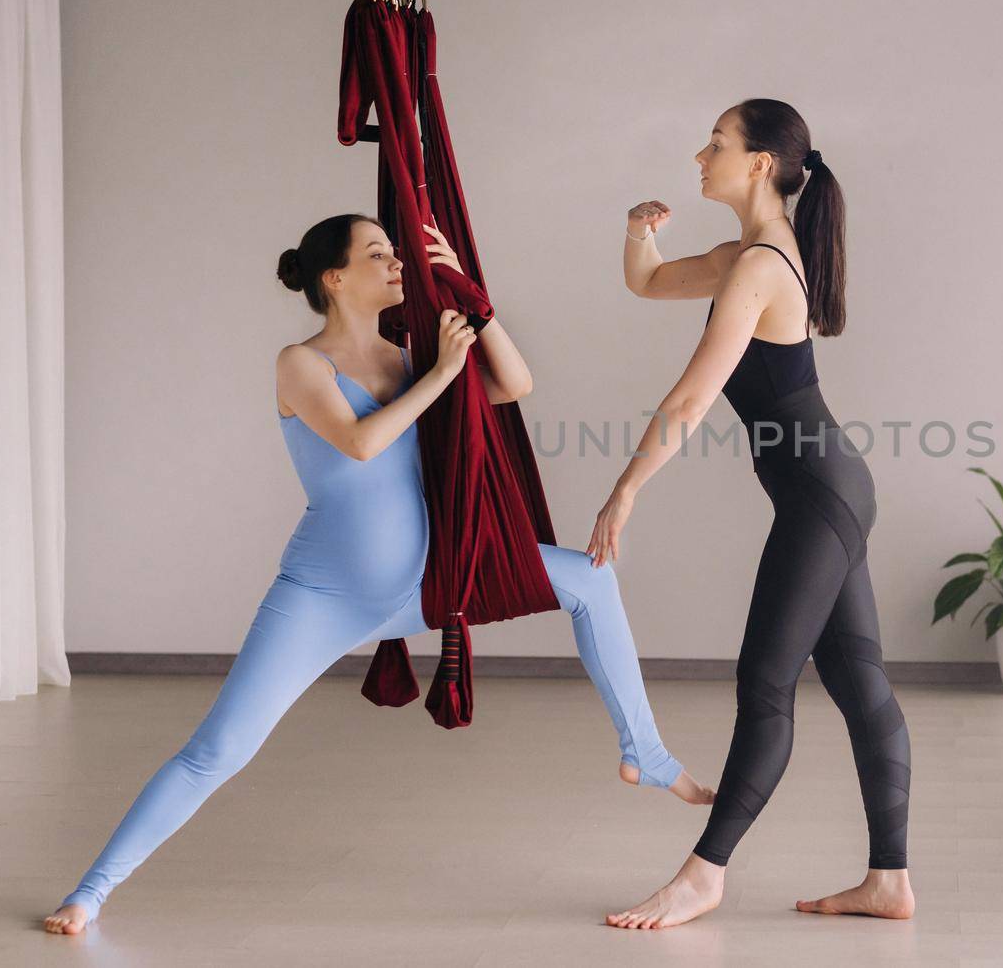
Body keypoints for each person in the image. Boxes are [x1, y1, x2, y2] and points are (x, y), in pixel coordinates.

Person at [43, 215, 712, 936]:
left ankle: (643, 750)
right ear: (334, 277)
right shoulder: (300, 364)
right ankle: (91, 890)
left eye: (395, 252)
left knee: (589, 579)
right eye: (377, 254)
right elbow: (361, 442)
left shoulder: (408, 357)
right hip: (321, 599)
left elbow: (515, 383)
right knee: (217, 750)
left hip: (426, 583)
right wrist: (442, 376)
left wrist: (469, 296)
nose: (396, 262)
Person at [592, 100, 914, 929]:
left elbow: (695, 394)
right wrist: (638, 229)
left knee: (766, 686)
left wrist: (626, 487)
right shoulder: (750, 254)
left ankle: (705, 872)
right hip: (831, 490)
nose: (701, 155)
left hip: (819, 497)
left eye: (717, 144)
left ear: (762, 162)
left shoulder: (764, 265)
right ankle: (889, 882)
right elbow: (651, 279)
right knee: (857, 682)